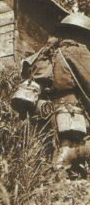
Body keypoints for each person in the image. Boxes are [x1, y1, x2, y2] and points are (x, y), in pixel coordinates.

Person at [12, 13, 90, 170]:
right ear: (82, 33)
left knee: (51, 155)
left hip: (44, 115)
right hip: (71, 115)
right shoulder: (78, 52)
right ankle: (69, 156)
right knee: (68, 152)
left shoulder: (45, 54)